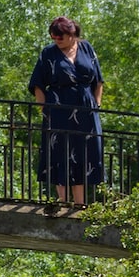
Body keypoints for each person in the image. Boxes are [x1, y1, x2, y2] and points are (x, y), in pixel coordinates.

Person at [28, 15, 105, 211]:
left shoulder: (86, 48)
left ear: (71, 34)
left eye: (59, 36)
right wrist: (44, 108)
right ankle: (62, 200)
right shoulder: (48, 53)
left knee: (84, 150)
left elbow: (98, 80)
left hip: (86, 110)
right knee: (59, 150)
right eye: (53, 36)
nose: (56, 39)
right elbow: (37, 83)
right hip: (58, 109)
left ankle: (80, 202)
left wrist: (96, 103)